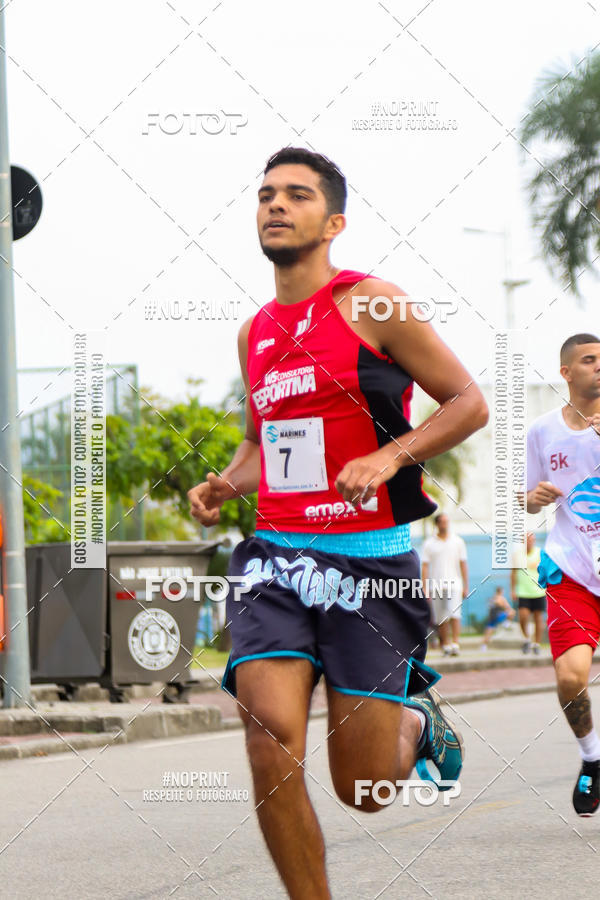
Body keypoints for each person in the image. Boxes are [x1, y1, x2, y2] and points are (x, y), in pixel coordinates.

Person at [188, 146, 488, 898]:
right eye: (265, 195)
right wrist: (227, 483)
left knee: (365, 789)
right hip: (278, 560)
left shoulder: (372, 303)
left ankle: (416, 726)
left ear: (335, 221)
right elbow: (264, 444)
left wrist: (391, 457)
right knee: (266, 737)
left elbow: (467, 402)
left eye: (296, 194)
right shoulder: (255, 331)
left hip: (371, 563)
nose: (276, 205)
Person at [526, 332, 600, 817]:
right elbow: (527, 495)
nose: (599, 366)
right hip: (573, 568)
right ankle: (592, 759)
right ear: (566, 372)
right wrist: (531, 500)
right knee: (570, 677)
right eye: (590, 360)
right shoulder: (541, 431)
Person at [421, 513, 469, 656]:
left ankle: (455, 643)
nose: (444, 524)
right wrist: (425, 588)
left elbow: (463, 564)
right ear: (437, 524)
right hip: (436, 585)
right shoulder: (429, 543)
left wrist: (466, 585)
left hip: (455, 583)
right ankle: (446, 644)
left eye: (446, 521)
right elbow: (424, 566)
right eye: (442, 522)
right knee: (441, 617)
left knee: (455, 613)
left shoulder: (458, 541)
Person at [511, 531, 546, 654]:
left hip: (538, 591)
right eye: (527, 540)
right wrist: (513, 590)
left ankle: (536, 644)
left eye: (531, 540)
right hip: (523, 592)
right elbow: (513, 573)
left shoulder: (540, 553)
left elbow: (545, 571)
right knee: (523, 616)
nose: (530, 542)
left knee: (538, 618)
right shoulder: (517, 555)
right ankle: (526, 639)